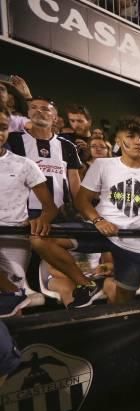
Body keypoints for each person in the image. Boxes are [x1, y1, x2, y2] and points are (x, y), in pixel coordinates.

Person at [30, 116, 140, 307]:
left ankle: (116, 327)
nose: (138, 142)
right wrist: (99, 221)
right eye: (131, 136)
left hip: (137, 239)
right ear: (118, 140)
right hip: (100, 230)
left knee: (123, 301)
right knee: (39, 239)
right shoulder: (103, 165)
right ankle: (86, 284)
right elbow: (82, 200)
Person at [0, 104, 57, 317]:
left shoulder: (24, 164)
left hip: (14, 239)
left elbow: (49, 206)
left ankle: (13, 348)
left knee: (13, 306)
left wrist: (42, 219)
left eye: (3, 127)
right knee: (12, 294)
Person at [6, 96, 82, 219]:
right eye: (34, 108)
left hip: (60, 214)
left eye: (45, 109)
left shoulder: (67, 145)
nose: (38, 111)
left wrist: (81, 209)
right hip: (22, 213)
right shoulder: (13, 140)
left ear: (55, 118)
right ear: (29, 113)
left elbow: (74, 181)